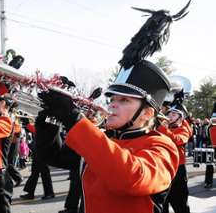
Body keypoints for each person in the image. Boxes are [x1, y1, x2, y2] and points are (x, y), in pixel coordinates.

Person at [35, 58, 180, 213]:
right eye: (112, 99)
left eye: (124, 100)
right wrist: (49, 125)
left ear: (146, 113)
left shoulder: (162, 146)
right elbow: (55, 157)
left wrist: (74, 119)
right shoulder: (104, 138)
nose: (112, 104)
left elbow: (130, 179)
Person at [158, 102, 192, 213]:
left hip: (178, 170)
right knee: (162, 204)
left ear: (180, 118)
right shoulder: (163, 128)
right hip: (163, 169)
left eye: (173, 114)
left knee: (180, 204)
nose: (169, 116)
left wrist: (163, 129)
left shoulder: (183, 129)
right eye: (169, 114)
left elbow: (177, 140)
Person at [20, 121, 55, 200]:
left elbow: (39, 130)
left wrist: (28, 124)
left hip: (44, 150)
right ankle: (30, 193)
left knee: (44, 173)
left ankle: (49, 192)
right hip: (38, 150)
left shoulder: (48, 119)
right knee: (34, 173)